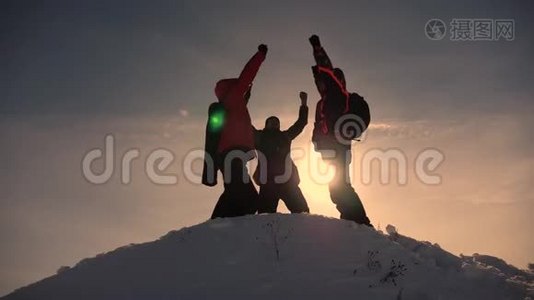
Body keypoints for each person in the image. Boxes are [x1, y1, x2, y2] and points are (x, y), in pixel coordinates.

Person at [308, 35, 372, 226]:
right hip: (328, 148)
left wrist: (318, 49)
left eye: (324, 82)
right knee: (336, 188)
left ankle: (360, 221)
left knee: (341, 186)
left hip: (340, 145)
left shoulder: (340, 94)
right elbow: (317, 126)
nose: (321, 85)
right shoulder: (322, 102)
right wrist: (316, 144)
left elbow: (325, 70)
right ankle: (351, 219)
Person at [204, 44, 268, 219]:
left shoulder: (230, 106)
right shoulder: (233, 96)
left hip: (230, 156)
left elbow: (245, 94)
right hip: (232, 155)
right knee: (249, 199)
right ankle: (217, 225)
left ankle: (219, 226)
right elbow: (247, 74)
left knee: (235, 193)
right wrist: (260, 55)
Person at [253, 92, 310, 214]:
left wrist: (304, 104)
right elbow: (245, 125)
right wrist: (243, 101)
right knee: (264, 217)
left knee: (303, 213)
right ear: (266, 125)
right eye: (271, 121)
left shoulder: (285, 136)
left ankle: (303, 233)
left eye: (277, 121)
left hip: (288, 182)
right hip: (268, 183)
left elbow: (301, 123)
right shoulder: (259, 137)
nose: (275, 123)